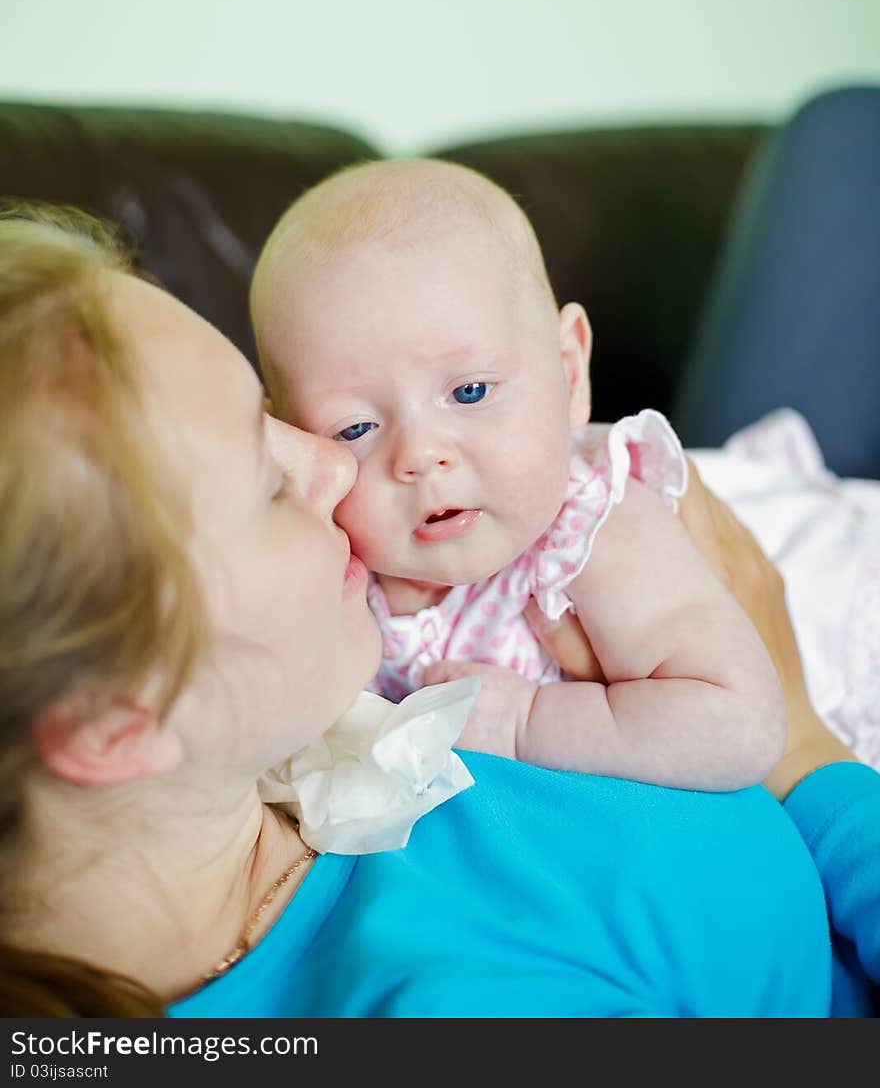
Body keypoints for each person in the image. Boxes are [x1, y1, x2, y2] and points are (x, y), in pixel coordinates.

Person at [0, 206, 876, 1020]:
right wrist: (803, 753)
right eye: (270, 483)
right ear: (117, 718)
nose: (340, 471)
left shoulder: (293, 726)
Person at [248, 159, 785, 788]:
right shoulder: (330, 570)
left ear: (570, 371)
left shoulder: (589, 530)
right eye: (355, 430)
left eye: (470, 391)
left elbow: (741, 726)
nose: (420, 456)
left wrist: (525, 721)